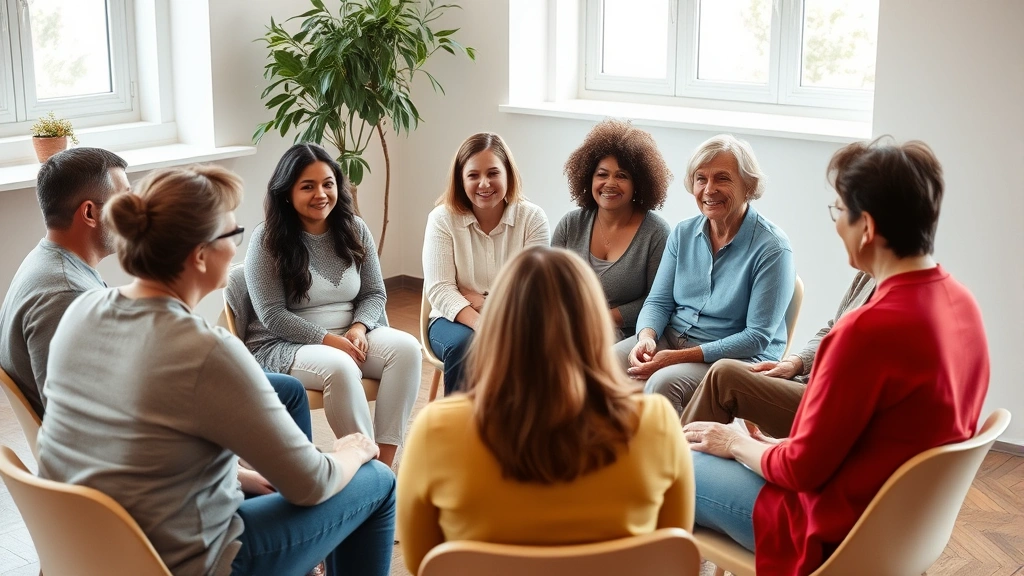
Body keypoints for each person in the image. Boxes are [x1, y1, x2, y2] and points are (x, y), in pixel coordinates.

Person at [36, 164, 396, 576]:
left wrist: (237, 477)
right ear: (200, 253)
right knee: (376, 480)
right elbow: (311, 484)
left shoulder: (83, 308)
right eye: (232, 234)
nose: (237, 247)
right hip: (186, 563)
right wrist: (353, 450)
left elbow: (134, 443)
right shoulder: (207, 350)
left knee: (273, 479)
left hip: (89, 552)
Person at [683, 138, 989, 575]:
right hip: (895, 528)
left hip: (824, 530)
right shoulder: (962, 303)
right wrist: (768, 445)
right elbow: (869, 437)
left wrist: (736, 442)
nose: (836, 224)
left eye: (838, 210)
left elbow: (800, 472)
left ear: (865, 226)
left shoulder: (867, 331)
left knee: (674, 465)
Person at [398, 247, 694, 574]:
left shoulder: (437, 430)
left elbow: (420, 563)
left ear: (497, 327)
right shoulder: (656, 423)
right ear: (594, 326)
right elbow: (672, 556)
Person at [0, 148, 313, 451]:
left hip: (130, 421)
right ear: (90, 212)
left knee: (283, 389)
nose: (136, 209)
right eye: (125, 196)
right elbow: (81, 423)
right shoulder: (65, 293)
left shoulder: (47, 262)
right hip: (129, 465)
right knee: (284, 394)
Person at [244, 143, 421, 468]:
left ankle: (384, 467)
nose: (321, 194)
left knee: (408, 349)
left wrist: (358, 327)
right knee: (340, 368)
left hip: (349, 333)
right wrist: (329, 341)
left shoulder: (355, 229)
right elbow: (272, 315)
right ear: (287, 192)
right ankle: (366, 465)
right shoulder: (267, 239)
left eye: (327, 184)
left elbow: (374, 294)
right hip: (287, 343)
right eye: (307, 186)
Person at [615, 134, 795, 415]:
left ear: (748, 185)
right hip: (672, 340)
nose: (709, 189)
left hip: (734, 359)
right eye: (701, 179)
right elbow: (658, 301)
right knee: (600, 365)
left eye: (722, 178)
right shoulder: (683, 233)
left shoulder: (773, 248)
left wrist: (676, 358)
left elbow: (756, 337)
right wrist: (646, 337)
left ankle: (671, 459)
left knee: (663, 384)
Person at [422, 132, 550, 395]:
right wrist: (481, 324)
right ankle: (459, 432)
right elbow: (440, 290)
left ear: (508, 175)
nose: (484, 184)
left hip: (517, 318)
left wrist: (481, 301)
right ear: (460, 180)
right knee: (468, 346)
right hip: (452, 319)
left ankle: (521, 431)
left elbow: (532, 291)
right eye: (473, 175)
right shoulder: (442, 219)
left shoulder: (533, 219)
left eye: (493, 173)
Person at [680, 272, 875, 438]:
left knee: (723, 376)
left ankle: (676, 473)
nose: (839, 228)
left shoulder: (895, 304)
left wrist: (741, 445)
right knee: (722, 374)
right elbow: (831, 330)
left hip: (834, 404)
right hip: (809, 381)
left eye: (840, 223)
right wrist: (796, 363)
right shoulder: (868, 277)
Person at [552, 119, 672, 339]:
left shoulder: (656, 233)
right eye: (602, 174)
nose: (610, 183)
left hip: (621, 334)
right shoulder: (570, 224)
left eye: (622, 176)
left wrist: (601, 318)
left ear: (639, 183)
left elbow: (658, 300)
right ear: (588, 178)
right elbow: (549, 285)